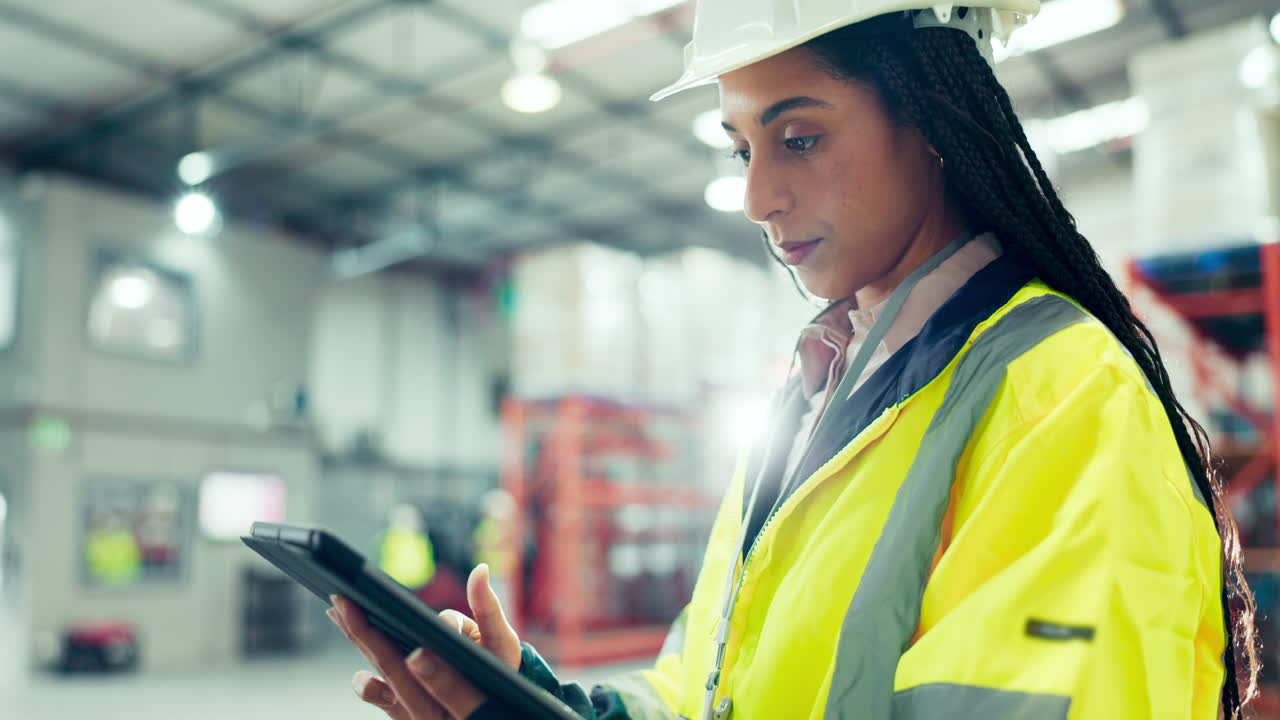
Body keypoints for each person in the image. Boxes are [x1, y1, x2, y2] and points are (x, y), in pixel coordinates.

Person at [327, 1, 1258, 718]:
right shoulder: (808, 404)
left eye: (799, 138)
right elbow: (709, 690)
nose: (755, 196)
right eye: (740, 148)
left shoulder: (1066, 397)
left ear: (933, 120)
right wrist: (547, 705)